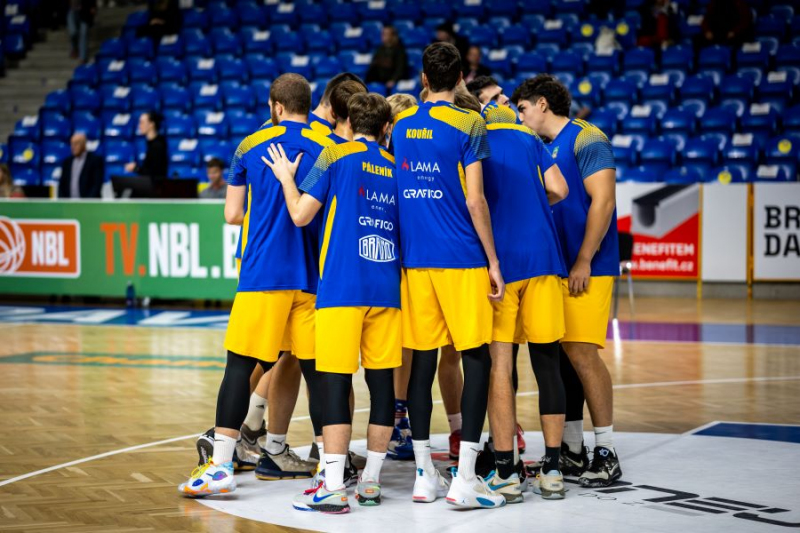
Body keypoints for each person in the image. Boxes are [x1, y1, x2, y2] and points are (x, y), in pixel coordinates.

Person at [178, 73, 334, 497]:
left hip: (263, 274)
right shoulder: (328, 148)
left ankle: (221, 466)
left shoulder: (250, 144)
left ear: (276, 106)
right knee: (319, 374)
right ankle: (331, 471)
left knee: (240, 366)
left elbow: (231, 215)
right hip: (312, 279)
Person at [265, 92, 401, 514]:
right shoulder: (398, 166)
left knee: (335, 385)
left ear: (347, 121)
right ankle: (373, 482)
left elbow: (301, 215)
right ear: (384, 128)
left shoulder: (333, 156)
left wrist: (288, 179)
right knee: (382, 387)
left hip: (342, 287)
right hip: (387, 289)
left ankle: (334, 485)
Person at [392, 42, 506, 509]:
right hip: (461, 257)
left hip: (415, 261)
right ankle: (464, 480)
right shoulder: (470, 122)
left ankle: (423, 475)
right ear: (460, 78)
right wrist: (494, 262)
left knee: (421, 362)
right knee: (476, 358)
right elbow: (476, 200)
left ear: (423, 77)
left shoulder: (399, 127)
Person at [511, 74, 622, 488]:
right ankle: (573, 450)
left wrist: (583, 259)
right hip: (556, 265)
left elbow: (604, 201)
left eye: (522, 109)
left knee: (581, 351)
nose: (520, 118)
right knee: (560, 355)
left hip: (587, 265)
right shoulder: (540, 147)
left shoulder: (586, 137)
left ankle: (606, 451)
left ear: (541, 104)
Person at [479, 102, 570, 503]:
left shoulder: (476, 140)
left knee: (500, 363)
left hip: (503, 263)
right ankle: (551, 468)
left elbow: (472, 199)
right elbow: (560, 189)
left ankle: (506, 470)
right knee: (547, 360)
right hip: (544, 259)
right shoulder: (531, 138)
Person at [58, 132, 104, 199]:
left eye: (76, 143)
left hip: (89, 205)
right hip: (69, 205)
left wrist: (86, 203)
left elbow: (96, 186)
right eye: (72, 144)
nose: (73, 147)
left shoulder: (95, 161)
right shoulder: (67, 162)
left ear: (83, 144)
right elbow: (62, 186)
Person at [125, 111, 168, 179]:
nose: (139, 126)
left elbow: (155, 173)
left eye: (142, 123)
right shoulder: (151, 143)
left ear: (151, 124)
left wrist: (136, 168)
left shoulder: (158, 145)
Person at [366, 26, 408, 91]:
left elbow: (400, 68)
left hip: (393, 80)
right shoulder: (380, 49)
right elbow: (373, 65)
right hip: (380, 80)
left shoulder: (399, 50)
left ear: (393, 36)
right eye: (382, 34)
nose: (383, 36)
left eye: (386, 34)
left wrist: (393, 80)